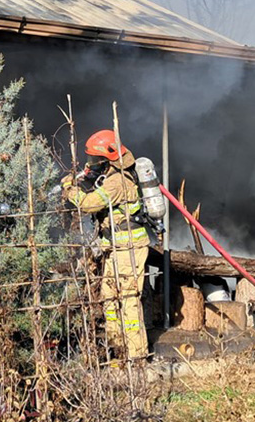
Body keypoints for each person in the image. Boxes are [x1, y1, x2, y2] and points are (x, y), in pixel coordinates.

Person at [61, 128, 150, 361]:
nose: (91, 164)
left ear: (108, 159)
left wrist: (70, 189)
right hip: (115, 249)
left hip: (129, 249)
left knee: (128, 300)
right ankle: (117, 352)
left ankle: (136, 357)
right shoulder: (110, 177)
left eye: (95, 160)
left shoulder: (117, 182)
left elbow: (89, 204)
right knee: (110, 298)